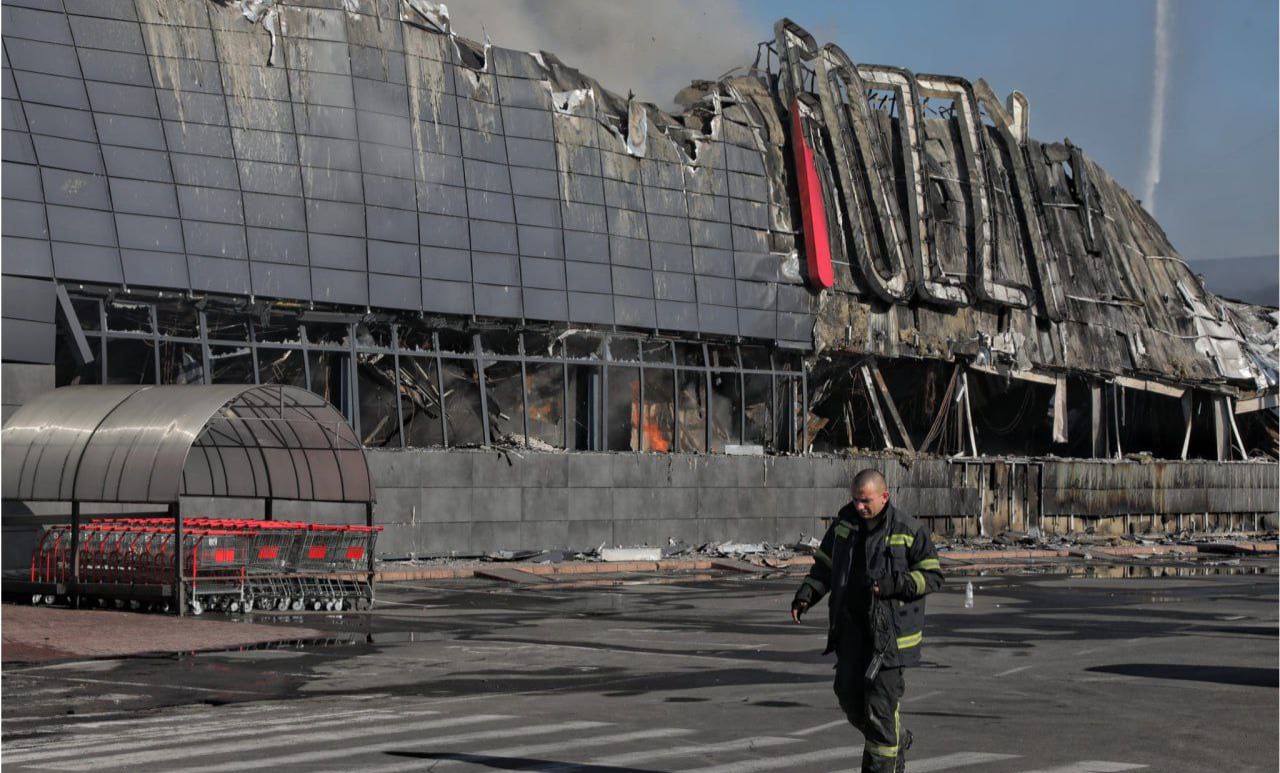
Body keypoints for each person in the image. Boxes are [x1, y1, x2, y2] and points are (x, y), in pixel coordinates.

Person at [790, 468, 944, 773]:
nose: (860, 507)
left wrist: (895, 584)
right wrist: (807, 595)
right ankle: (896, 738)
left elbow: (933, 575)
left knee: (880, 713)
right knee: (848, 696)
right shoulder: (844, 525)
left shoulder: (907, 528)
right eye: (856, 500)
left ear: (884, 497)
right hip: (851, 633)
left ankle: (885, 759)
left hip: (890, 640)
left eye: (866, 501)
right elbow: (824, 565)